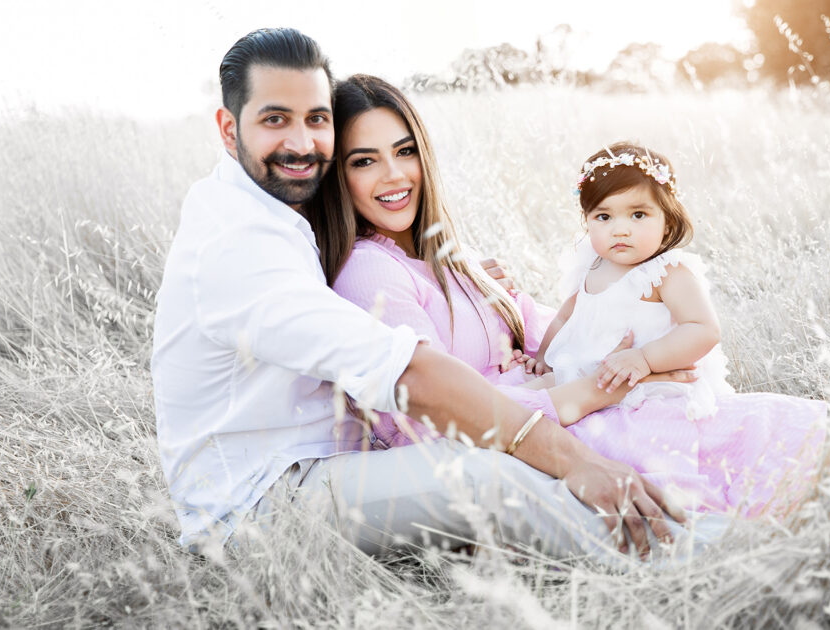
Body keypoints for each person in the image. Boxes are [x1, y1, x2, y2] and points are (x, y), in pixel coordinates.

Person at [152, 27, 723, 566]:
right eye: (275, 119)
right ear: (228, 128)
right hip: (265, 500)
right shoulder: (237, 242)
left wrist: (631, 354)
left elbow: (526, 329)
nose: (302, 143)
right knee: (484, 478)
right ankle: (705, 554)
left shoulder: (290, 215)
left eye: (317, 119)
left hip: (345, 461)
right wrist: (577, 448)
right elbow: (409, 375)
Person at [326, 75, 830, 523]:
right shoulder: (368, 272)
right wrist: (591, 390)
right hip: (549, 441)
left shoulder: (443, 255)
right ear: (338, 176)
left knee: (786, 436)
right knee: (775, 444)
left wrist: (635, 354)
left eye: (404, 151)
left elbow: (544, 328)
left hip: (577, 412)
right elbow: (424, 419)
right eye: (364, 160)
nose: (393, 175)